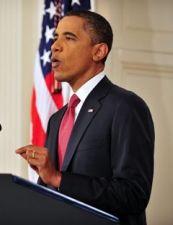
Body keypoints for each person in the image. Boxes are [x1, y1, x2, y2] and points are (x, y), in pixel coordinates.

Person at [15, 10, 154, 225]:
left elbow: (133, 195)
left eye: (69, 38)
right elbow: (50, 194)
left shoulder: (125, 106)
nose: (55, 46)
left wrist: (58, 178)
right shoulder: (57, 119)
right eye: (55, 38)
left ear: (98, 51)